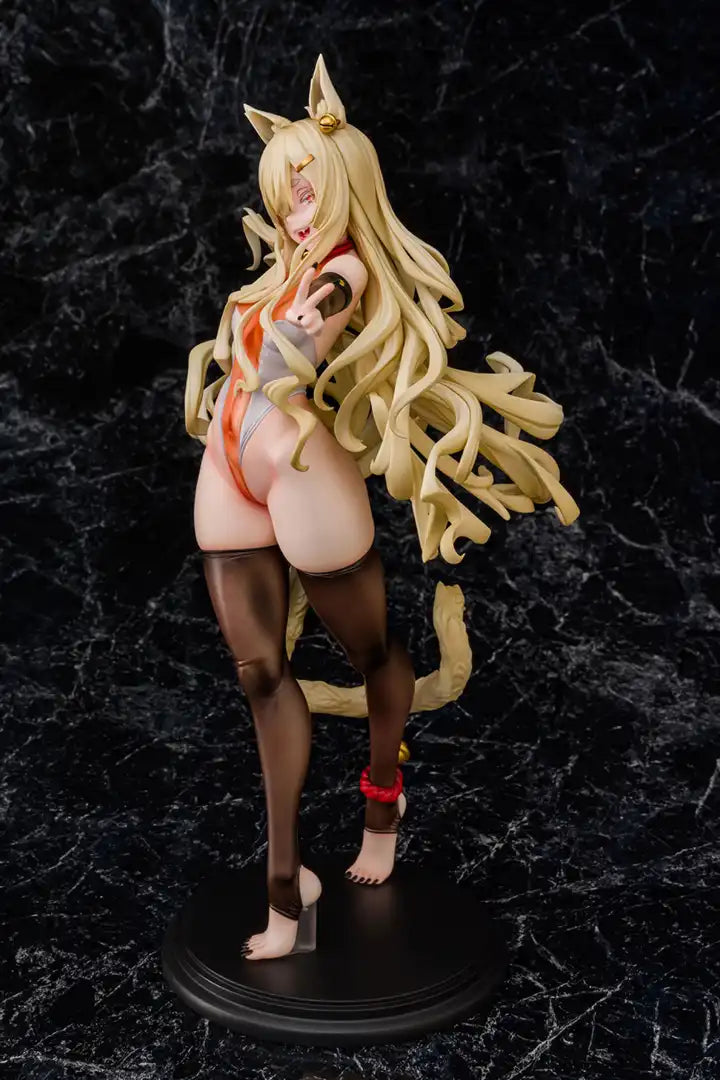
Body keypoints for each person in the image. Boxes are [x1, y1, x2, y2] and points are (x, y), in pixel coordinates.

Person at [184, 56, 580, 960]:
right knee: (260, 677)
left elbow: (297, 347)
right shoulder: (279, 274)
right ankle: (288, 886)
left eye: (309, 192)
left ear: (346, 185)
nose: (297, 213)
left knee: (370, 653)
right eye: (285, 196)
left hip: (300, 467)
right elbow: (258, 353)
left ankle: (382, 805)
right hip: (228, 467)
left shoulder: (343, 273)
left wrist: (293, 337)